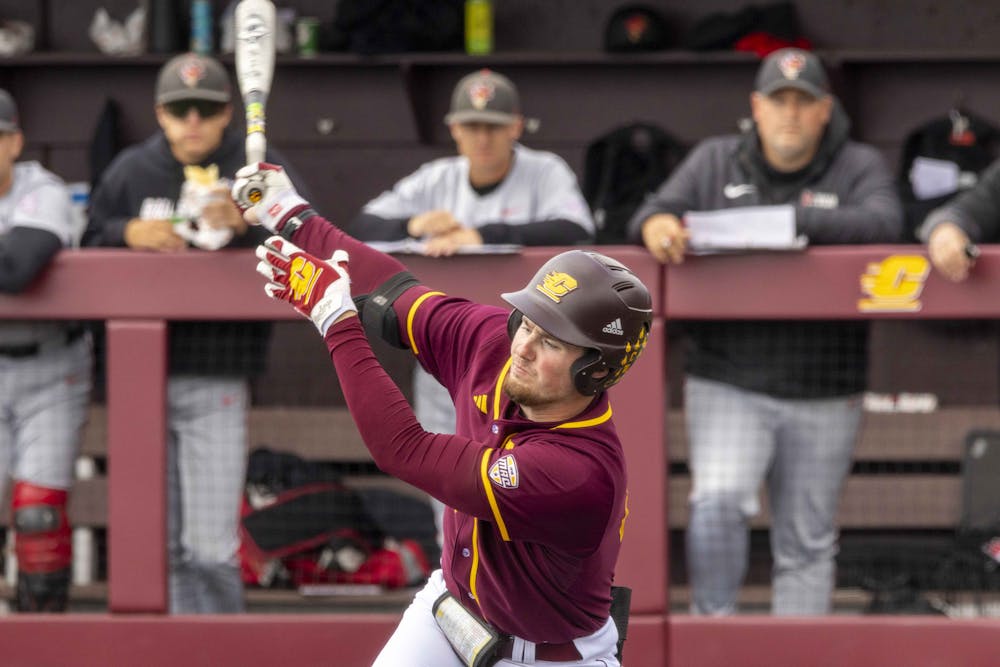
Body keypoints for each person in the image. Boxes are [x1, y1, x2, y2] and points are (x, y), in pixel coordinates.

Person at [230, 160, 651, 665]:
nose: (523, 347)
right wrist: (289, 214)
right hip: (450, 612)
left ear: (596, 371)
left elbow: (402, 449)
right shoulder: (496, 343)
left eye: (553, 342)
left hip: (550, 656)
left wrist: (336, 320)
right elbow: (391, 293)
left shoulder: (577, 472)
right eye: (527, 322)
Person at [627, 48, 903, 615]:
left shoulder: (856, 164)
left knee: (806, 541)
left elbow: (885, 223)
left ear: (825, 110)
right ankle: (713, 633)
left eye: (804, 102)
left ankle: (799, 653)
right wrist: (657, 222)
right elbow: (650, 215)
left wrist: (788, 223)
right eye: (780, 101)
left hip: (825, 385)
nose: (791, 114)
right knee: (718, 502)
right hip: (729, 378)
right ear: (757, 107)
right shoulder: (715, 159)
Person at [83, 53, 308, 614]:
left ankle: (220, 648)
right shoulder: (132, 170)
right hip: (138, 378)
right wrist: (126, 231)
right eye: (180, 110)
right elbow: (86, 241)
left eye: (204, 110)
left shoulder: (255, 167)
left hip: (217, 371)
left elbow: (313, 237)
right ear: (160, 114)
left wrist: (251, 222)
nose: (192, 122)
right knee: (156, 546)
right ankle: (169, 649)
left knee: (208, 549)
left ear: (227, 113)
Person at [347, 68, 595, 541]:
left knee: (521, 491)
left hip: (524, 356)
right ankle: (455, 584)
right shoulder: (437, 179)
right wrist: (413, 224)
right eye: (472, 126)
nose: (483, 137)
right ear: (455, 129)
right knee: (448, 494)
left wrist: (482, 235)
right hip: (446, 356)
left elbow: (576, 231)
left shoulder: (544, 171)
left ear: (515, 127)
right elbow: (361, 226)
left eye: (494, 126)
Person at [0, 88, 92, 612]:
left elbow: (17, 266)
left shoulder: (43, 190)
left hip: (50, 369)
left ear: (14, 142)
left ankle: (42, 633)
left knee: (38, 515)